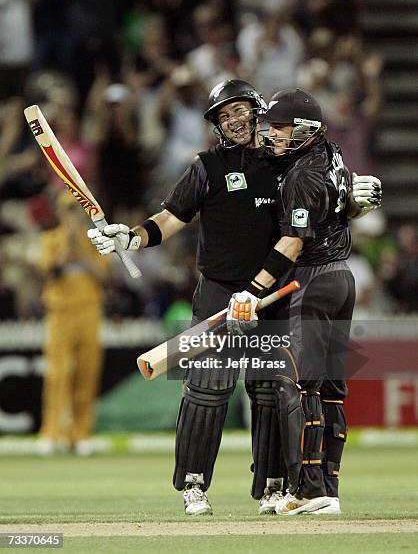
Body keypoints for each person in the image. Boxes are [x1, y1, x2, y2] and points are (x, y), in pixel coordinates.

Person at [88, 81, 381, 515]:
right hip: (220, 290)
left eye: (241, 110)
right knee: (208, 388)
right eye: (224, 116)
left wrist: (353, 202)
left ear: (258, 111)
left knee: (272, 390)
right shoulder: (208, 165)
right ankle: (194, 486)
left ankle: (275, 487)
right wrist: (130, 238)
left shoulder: (285, 157)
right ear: (217, 127)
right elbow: (172, 217)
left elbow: (321, 197)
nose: (235, 120)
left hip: (276, 290)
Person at [226, 88, 382, 515]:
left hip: (312, 280)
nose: (272, 134)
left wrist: (253, 291)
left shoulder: (300, 177)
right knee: (330, 391)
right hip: (342, 278)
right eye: (271, 125)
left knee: (299, 385)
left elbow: (292, 242)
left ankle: (309, 491)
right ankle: (328, 489)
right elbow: (346, 198)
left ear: (306, 130)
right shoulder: (332, 154)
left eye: (281, 127)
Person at [38, 191, 109, 455]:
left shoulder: (94, 242)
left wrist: (79, 247)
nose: (71, 216)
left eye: (75, 211)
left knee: (86, 373)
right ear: (59, 212)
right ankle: (52, 432)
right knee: (57, 374)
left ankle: (81, 433)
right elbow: (50, 272)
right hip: (60, 312)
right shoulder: (50, 240)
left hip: (89, 310)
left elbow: (102, 276)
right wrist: (66, 245)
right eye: (66, 210)